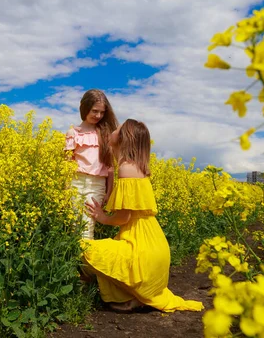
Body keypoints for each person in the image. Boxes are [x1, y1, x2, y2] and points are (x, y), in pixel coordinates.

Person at [82, 119, 204, 313]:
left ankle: (139, 296)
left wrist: (102, 217)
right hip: (153, 243)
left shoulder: (127, 169)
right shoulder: (134, 166)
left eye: (118, 128)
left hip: (142, 247)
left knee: (84, 250)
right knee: (108, 259)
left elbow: (124, 218)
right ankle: (137, 297)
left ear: (124, 138)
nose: (114, 129)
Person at [65, 89, 118, 240]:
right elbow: (68, 164)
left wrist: (109, 191)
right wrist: (66, 188)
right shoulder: (73, 133)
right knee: (74, 226)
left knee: (87, 227)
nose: (98, 116)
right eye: (95, 111)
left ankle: (87, 262)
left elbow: (110, 168)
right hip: (76, 182)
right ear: (85, 108)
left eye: (102, 112)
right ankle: (76, 261)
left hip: (97, 184)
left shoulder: (105, 134)